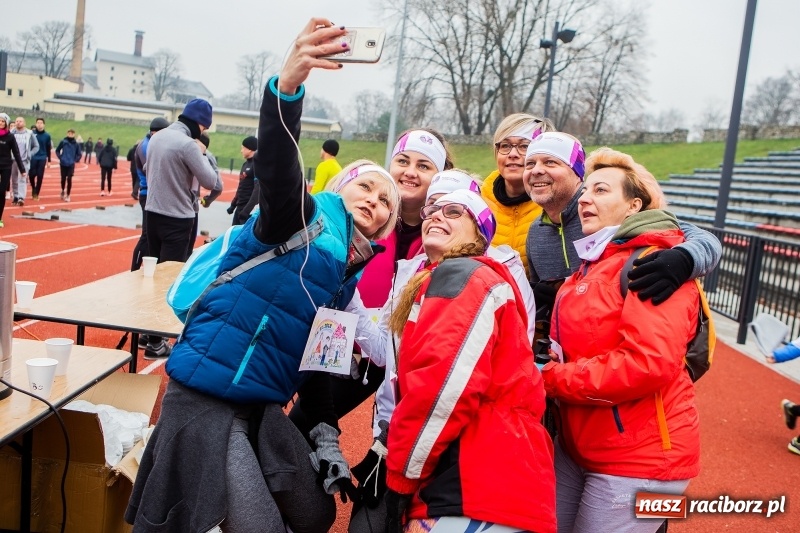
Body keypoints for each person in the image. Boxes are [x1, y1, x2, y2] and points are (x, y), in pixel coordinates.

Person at [125, 19, 400, 531]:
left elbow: (321, 374)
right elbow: (277, 165)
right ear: (340, 188)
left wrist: (327, 440)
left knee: (315, 513)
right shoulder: (300, 219)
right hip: (207, 399)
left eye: (386, 200)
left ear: (388, 221)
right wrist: (288, 88)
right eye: (366, 187)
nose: (375, 200)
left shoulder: (347, 283)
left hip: (258, 409)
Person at [372, 189, 556, 533]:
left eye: (454, 212)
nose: (436, 216)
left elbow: (440, 391)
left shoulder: (463, 276)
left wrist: (400, 477)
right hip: (496, 479)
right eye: (433, 211)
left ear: (479, 235)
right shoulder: (463, 278)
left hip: (475, 479)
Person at [540, 147, 701, 533]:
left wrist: (550, 379)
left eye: (601, 190)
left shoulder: (652, 263)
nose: (586, 199)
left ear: (634, 206)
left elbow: (648, 364)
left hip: (643, 459)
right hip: (580, 446)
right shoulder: (591, 263)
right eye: (585, 192)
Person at [524, 132, 722, 347]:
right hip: (575, 349)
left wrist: (684, 259)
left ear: (577, 174)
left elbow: (697, 237)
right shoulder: (536, 231)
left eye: (550, 162)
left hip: (613, 357)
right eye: (531, 163)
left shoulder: (610, 216)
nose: (537, 170)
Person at [481, 113, 550, 275]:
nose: (512, 154)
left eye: (524, 146)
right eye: (505, 146)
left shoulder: (553, 206)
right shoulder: (478, 202)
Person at [130, 117, 170, 271]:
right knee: (146, 235)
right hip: (148, 193)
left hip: (151, 193)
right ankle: (134, 268)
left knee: (151, 235)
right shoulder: (147, 146)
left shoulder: (150, 143)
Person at [0, 113, 26, 229]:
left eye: (2, 121)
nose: (0, 123)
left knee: (1, 193)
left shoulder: (10, 137)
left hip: (6, 167)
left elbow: (16, 153)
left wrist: (22, 169)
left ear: (6, 123)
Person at [227, 135, 258, 225]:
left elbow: (257, 190)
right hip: (240, 208)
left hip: (248, 210)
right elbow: (241, 186)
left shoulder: (257, 165)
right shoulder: (245, 165)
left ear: (250, 149)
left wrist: (247, 210)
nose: (241, 151)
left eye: (243, 148)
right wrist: (233, 205)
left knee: (243, 237)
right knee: (234, 235)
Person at [10, 117, 39, 206]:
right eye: (17, 121)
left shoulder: (29, 134)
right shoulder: (11, 133)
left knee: (22, 179)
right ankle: (15, 196)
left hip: (24, 160)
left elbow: (36, 146)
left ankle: (21, 197)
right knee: (14, 179)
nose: (18, 123)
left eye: (20, 121)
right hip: (13, 160)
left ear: (24, 123)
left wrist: (30, 154)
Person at [55, 129, 82, 202]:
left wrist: (75, 160)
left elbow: (79, 154)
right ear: (67, 134)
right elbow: (57, 150)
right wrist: (60, 157)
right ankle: (63, 190)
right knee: (63, 178)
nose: (70, 135)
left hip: (71, 164)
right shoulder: (63, 142)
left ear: (74, 134)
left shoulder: (76, 144)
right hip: (63, 163)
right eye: (69, 133)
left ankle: (68, 194)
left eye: (72, 133)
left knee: (69, 179)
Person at [29, 118, 52, 201]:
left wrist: (49, 160)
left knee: (40, 175)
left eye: (41, 123)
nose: (39, 124)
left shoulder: (47, 136)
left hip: (42, 157)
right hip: (33, 156)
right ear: (35, 124)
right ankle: (33, 187)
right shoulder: (31, 134)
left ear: (44, 124)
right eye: (38, 123)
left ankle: (36, 193)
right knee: (31, 175)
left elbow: (48, 148)